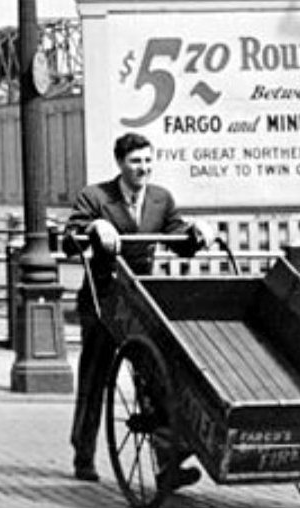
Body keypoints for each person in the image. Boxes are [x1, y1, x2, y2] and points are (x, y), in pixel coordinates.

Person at [61, 132, 208, 487]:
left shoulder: (160, 199)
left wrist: (195, 232)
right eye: (135, 162)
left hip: (141, 303)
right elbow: (70, 238)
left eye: (147, 160)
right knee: (95, 378)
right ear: (120, 164)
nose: (142, 168)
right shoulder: (96, 196)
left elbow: (178, 237)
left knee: (155, 379)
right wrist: (95, 225)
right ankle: (84, 454)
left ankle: (167, 463)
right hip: (104, 299)